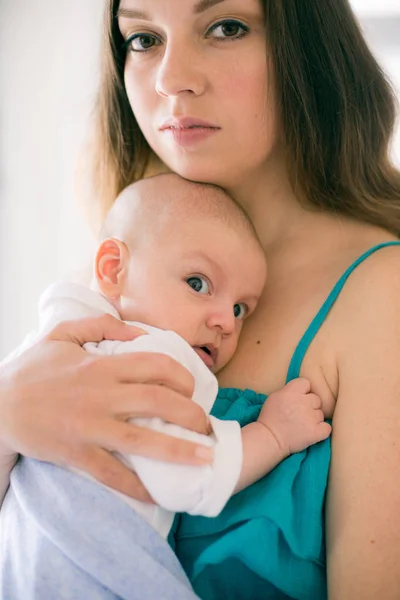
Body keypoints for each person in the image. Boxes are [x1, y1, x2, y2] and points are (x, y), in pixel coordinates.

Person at [1, 0, 400, 598]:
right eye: (142, 39)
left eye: (226, 27)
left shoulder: (382, 295)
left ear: (311, 49)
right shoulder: (104, 281)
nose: (170, 78)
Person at [0, 174, 330, 598]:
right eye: (198, 283)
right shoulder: (150, 355)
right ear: (113, 269)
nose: (226, 323)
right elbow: (190, 473)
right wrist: (274, 434)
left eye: (240, 308)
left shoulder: (46, 346)